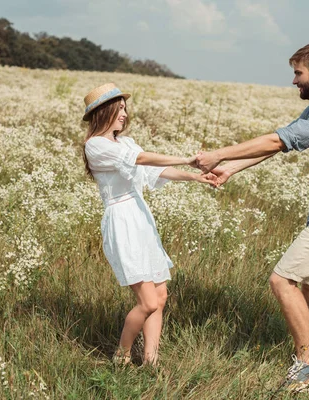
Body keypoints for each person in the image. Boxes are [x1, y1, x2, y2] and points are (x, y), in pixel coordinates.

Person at [196, 41, 309, 391]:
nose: (294, 81)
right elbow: (281, 143)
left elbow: (276, 141)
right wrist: (229, 168)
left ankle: (306, 364)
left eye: (298, 73)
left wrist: (218, 154)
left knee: (281, 281)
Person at [82, 83, 217, 366]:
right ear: (102, 112)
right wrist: (187, 158)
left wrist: (195, 176)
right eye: (118, 108)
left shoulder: (125, 143)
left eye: (124, 108)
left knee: (161, 294)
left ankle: (151, 360)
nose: (124, 113)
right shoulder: (95, 146)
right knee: (148, 302)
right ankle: (121, 355)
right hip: (122, 222)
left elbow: (154, 170)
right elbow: (140, 159)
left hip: (141, 218)